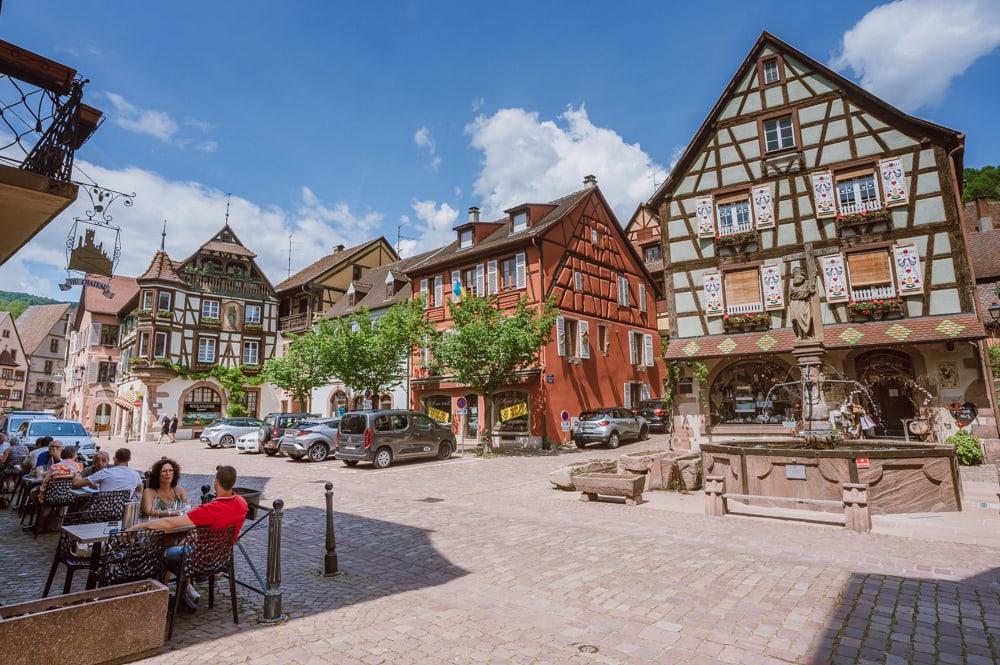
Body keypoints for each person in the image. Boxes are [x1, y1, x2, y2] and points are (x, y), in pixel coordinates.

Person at [131, 465, 246, 610]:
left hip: (198, 559)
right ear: (233, 482)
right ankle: (182, 593)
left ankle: (160, 599)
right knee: (181, 545)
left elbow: (168, 524)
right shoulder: (241, 503)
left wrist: (136, 527)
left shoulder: (209, 510)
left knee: (162, 553)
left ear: (215, 482)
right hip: (222, 558)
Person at [74, 448, 142, 493]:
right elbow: (139, 488)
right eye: (97, 461)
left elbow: (76, 484)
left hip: (102, 510)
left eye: (103, 461)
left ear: (113, 459)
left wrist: (77, 471)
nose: (100, 463)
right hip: (122, 510)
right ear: (129, 459)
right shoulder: (136, 474)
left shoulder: (104, 473)